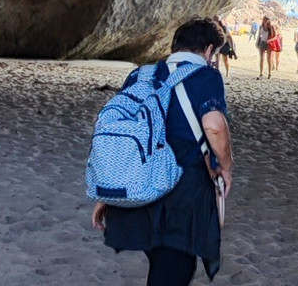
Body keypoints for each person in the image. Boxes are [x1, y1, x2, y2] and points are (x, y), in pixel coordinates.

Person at [92, 18, 234, 286]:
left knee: (162, 263)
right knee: (176, 267)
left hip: (139, 186)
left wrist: (107, 194)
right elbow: (214, 126)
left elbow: (121, 135)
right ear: (208, 50)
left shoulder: (140, 75)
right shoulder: (206, 76)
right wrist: (226, 166)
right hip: (181, 191)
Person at [256, 15, 276, 79]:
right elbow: (259, 35)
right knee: (262, 59)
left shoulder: (271, 27)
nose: (265, 21)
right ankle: (261, 73)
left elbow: (275, 37)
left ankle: (269, 73)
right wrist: (257, 43)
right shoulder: (261, 27)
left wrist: (269, 40)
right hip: (262, 42)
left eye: (266, 20)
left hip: (269, 43)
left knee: (269, 59)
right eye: (264, 19)